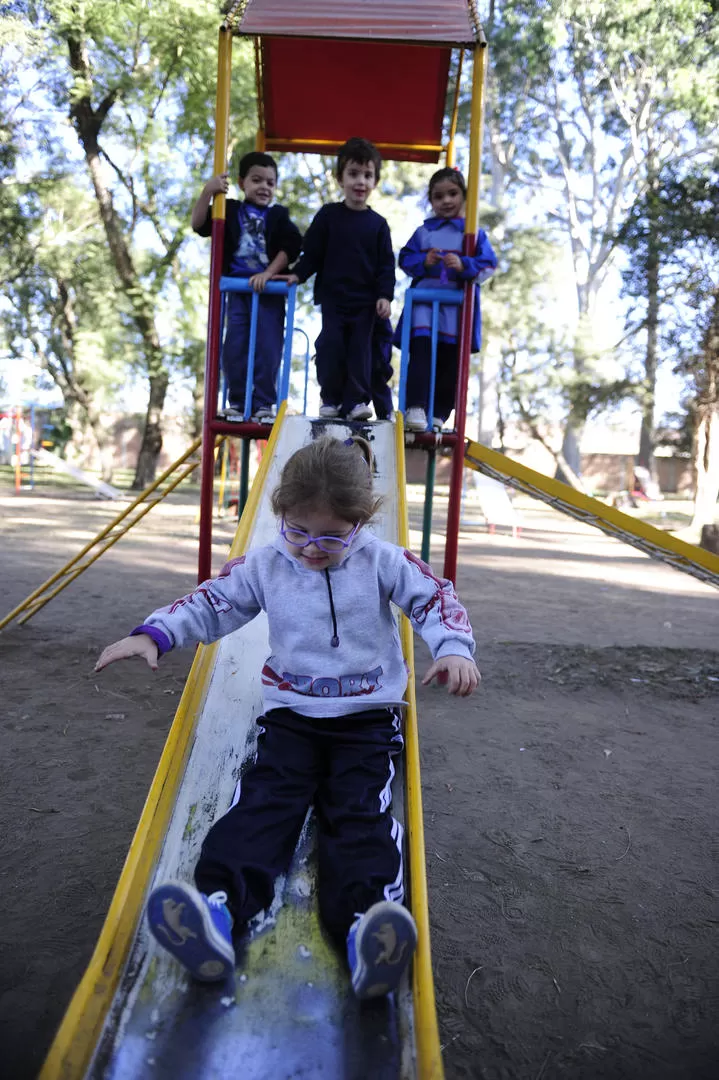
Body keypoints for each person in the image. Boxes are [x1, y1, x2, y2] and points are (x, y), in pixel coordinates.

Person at [95, 436, 479, 998]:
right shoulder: (267, 564)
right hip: (292, 716)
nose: (311, 548)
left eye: (331, 536)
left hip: (366, 720)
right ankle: (218, 914)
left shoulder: (382, 560)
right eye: (298, 531)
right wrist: (154, 634)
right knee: (263, 804)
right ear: (281, 515)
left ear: (360, 522)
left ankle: (364, 930)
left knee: (357, 816)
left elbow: (433, 597)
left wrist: (453, 648)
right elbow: (213, 601)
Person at [287, 138, 395, 422]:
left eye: (367, 175)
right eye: (353, 174)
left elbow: (386, 265)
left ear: (375, 181)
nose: (361, 181)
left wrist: (385, 295)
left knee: (361, 352)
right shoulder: (328, 216)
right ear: (340, 178)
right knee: (330, 346)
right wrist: (297, 275)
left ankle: (357, 401)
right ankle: (330, 399)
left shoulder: (378, 225)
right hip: (334, 299)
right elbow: (312, 252)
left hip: (365, 303)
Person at [192, 152, 302, 422]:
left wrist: (268, 273)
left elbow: (292, 247)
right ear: (242, 183)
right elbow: (198, 224)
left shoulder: (278, 216)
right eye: (257, 180)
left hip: (268, 293)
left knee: (268, 346)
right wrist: (208, 191)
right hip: (239, 291)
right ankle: (239, 402)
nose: (264, 187)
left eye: (270, 183)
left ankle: (264, 403)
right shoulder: (229, 210)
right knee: (235, 346)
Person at [396, 167, 497, 432]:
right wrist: (424, 260)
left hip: (456, 315)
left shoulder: (473, 234)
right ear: (431, 201)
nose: (447, 201)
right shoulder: (423, 232)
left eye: (452, 194)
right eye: (439, 196)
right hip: (424, 311)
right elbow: (404, 259)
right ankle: (415, 407)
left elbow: (488, 266)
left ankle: (439, 413)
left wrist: (464, 264)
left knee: (451, 364)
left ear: (464, 196)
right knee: (421, 356)